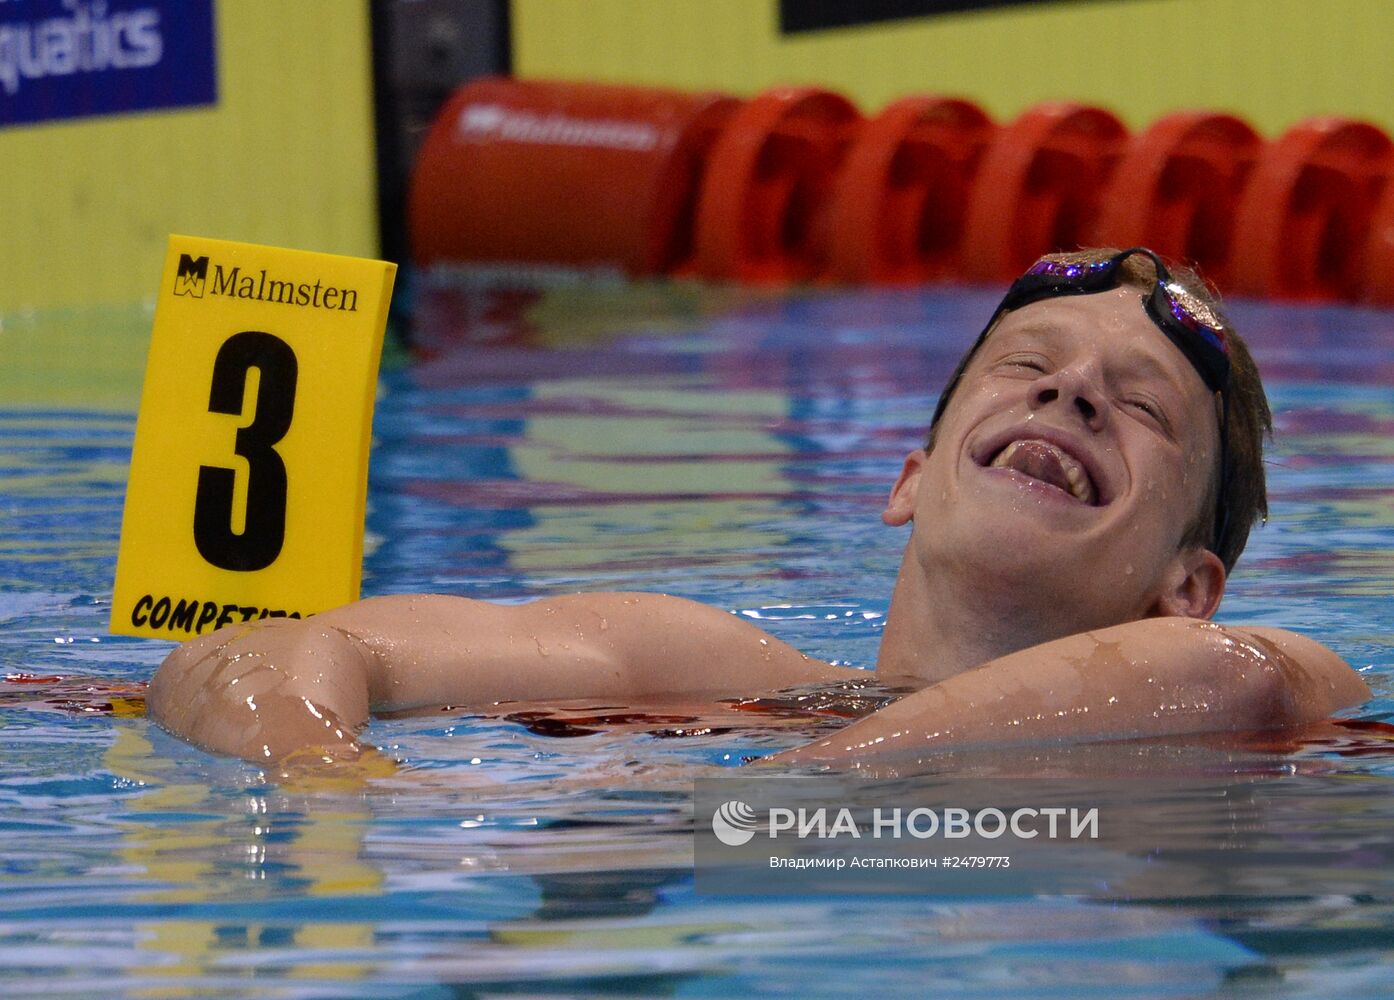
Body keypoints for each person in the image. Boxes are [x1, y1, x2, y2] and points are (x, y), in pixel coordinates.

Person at [146, 247, 1370, 765]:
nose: (1069, 388)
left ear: (1188, 581)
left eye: (1139, 403)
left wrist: (811, 790)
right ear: (907, 477)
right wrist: (320, 774)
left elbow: (1242, 677)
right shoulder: (704, 665)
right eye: (1024, 363)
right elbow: (277, 647)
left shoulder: (1246, 687)